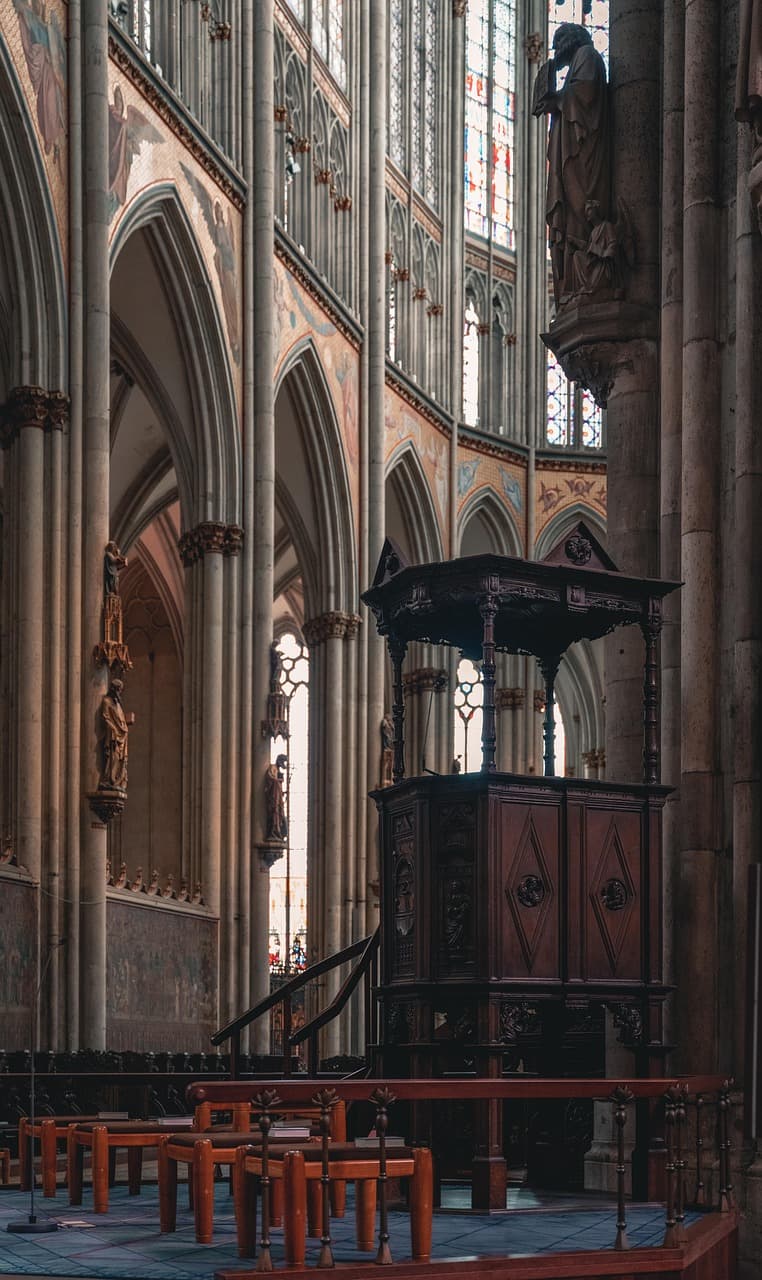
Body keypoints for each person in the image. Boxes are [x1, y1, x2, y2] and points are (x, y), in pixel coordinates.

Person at [532, 23, 610, 306]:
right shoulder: (579, 61)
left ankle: (586, 262)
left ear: (570, 40)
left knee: (579, 210)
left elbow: (586, 97)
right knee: (571, 211)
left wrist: (558, 100)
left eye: (557, 43)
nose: (556, 51)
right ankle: (576, 279)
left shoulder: (587, 55)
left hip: (581, 156)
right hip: (572, 154)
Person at [100, 678, 129, 791]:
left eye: (121, 690)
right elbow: (106, 717)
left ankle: (118, 781)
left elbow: (121, 719)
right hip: (114, 737)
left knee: (122, 760)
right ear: (113, 689)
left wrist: (125, 726)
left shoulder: (118, 704)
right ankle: (109, 780)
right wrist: (115, 731)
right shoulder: (107, 701)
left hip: (122, 737)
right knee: (113, 758)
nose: (120, 693)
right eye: (119, 690)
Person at [265, 753, 288, 841]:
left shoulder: (278, 770)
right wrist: (279, 780)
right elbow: (271, 779)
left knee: (279, 813)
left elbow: (278, 786)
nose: (283, 765)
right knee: (274, 813)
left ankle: (278, 832)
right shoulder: (273, 767)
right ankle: (274, 832)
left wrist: (282, 792)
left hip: (278, 797)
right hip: (273, 798)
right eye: (283, 762)